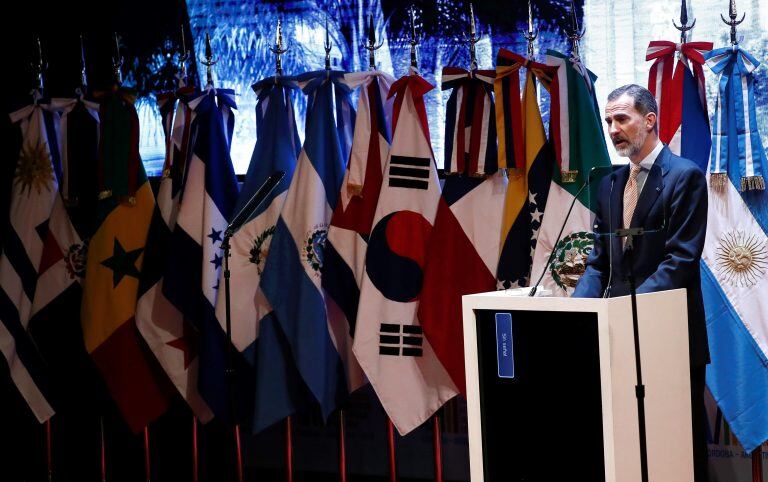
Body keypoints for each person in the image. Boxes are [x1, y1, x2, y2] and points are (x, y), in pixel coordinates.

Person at [573, 84, 709, 481]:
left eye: (621, 119)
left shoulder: (685, 176)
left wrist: (623, 310)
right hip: (616, 337)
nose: (613, 129)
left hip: (667, 334)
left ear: (649, 121)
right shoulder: (609, 184)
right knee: (626, 440)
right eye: (608, 121)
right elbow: (600, 262)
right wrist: (582, 312)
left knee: (677, 440)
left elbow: (680, 261)